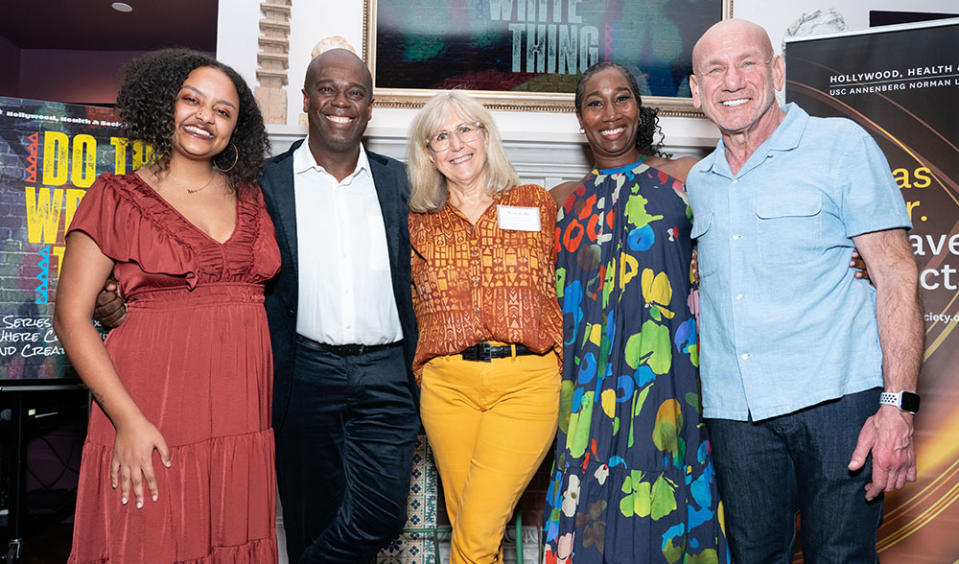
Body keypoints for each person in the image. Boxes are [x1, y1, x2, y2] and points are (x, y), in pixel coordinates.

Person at [686, 19, 922, 563]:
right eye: (715, 70)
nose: (733, 81)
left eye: (748, 63)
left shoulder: (840, 145)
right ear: (697, 92)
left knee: (840, 556)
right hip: (735, 411)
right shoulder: (701, 181)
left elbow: (895, 275)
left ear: (777, 71)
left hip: (838, 400)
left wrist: (898, 408)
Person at [54, 49, 278, 562]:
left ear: (236, 129)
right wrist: (127, 421)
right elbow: (71, 318)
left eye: (223, 111)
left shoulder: (253, 198)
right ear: (165, 106)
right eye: (192, 100)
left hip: (241, 415)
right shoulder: (114, 195)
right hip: (152, 404)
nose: (205, 116)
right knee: (150, 539)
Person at [543, 61, 729, 563]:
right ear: (581, 118)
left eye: (621, 97)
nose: (610, 112)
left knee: (662, 497)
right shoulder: (560, 202)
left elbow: (749, 235)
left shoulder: (688, 178)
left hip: (668, 382)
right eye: (595, 102)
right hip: (586, 389)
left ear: (640, 108)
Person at [261, 48, 419, 563]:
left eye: (355, 93)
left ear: (370, 108)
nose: (341, 102)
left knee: (383, 513)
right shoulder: (265, 183)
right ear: (305, 99)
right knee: (311, 515)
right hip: (304, 371)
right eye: (328, 88)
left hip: (387, 373)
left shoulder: (402, 182)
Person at [406, 91, 563, 563]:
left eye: (465, 129)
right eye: (441, 136)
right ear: (429, 154)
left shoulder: (535, 204)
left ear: (486, 136)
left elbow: (567, 281)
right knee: (475, 536)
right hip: (447, 388)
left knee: (474, 536)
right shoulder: (417, 223)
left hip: (526, 384)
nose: (456, 144)